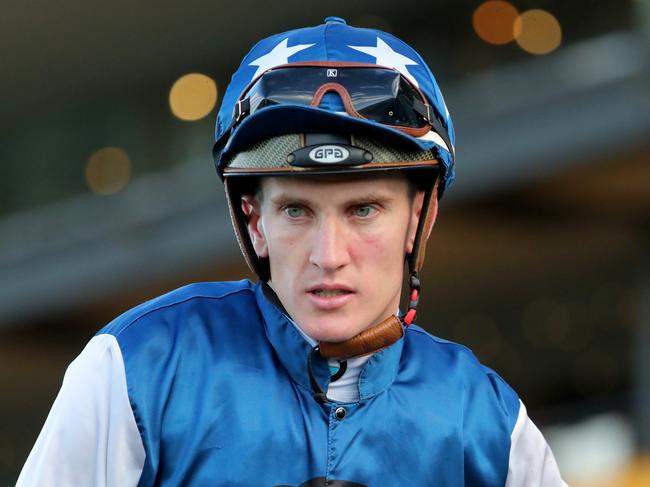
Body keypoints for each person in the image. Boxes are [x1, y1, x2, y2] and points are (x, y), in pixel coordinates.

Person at [17, 17, 567, 486]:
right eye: (296, 212)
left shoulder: (490, 424)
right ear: (254, 222)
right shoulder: (136, 368)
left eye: (363, 210)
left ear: (418, 217)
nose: (328, 255)